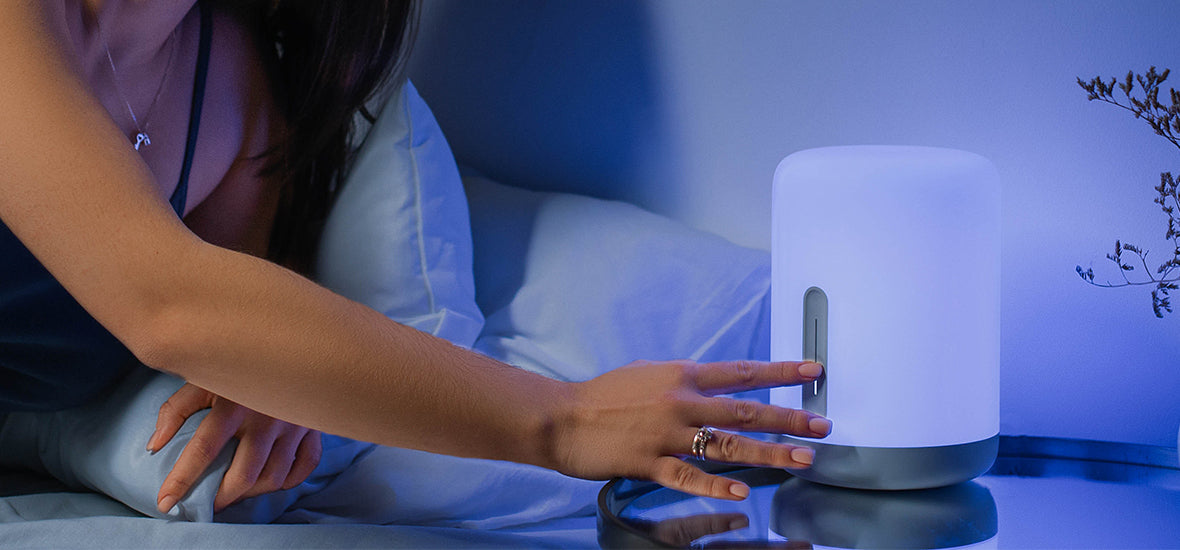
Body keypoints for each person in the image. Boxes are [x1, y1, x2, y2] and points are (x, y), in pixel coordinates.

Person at [0, 0, 832, 518]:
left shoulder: (239, 87)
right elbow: (172, 306)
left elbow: (231, 330)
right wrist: (564, 421)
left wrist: (267, 379)